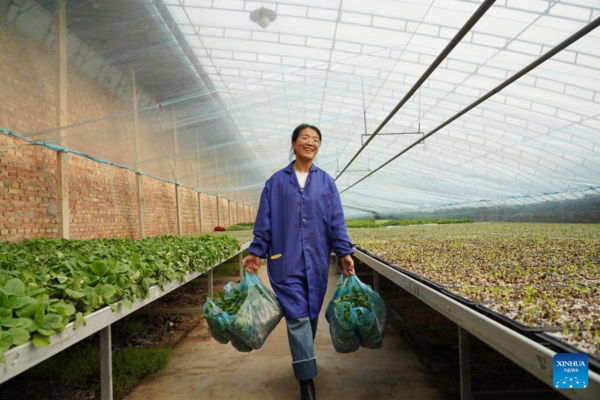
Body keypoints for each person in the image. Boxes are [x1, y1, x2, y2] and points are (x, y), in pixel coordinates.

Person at [242, 123, 355, 400]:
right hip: (285, 260)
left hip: (316, 261)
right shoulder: (276, 182)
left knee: (311, 315)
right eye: (305, 138)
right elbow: (264, 221)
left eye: (316, 139)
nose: (310, 142)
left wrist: (344, 253)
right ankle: (307, 383)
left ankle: (305, 359)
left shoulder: (326, 182)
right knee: (298, 317)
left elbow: (336, 222)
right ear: (293, 144)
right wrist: (257, 251)